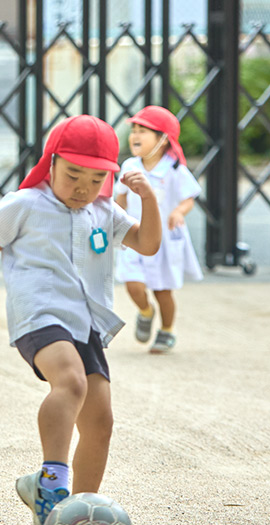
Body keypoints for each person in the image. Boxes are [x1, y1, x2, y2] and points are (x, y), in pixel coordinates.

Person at [0, 115, 161, 525]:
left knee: (100, 423)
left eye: (97, 177)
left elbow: (148, 244)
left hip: (85, 323)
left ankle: (76, 520)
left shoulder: (103, 211)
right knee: (71, 383)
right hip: (40, 315)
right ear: (51, 163)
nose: (83, 186)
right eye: (73, 174)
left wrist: (148, 199)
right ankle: (51, 485)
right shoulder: (24, 204)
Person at [114, 106, 204, 354]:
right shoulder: (130, 166)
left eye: (143, 130)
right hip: (134, 236)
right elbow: (119, 199)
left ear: (163, 139)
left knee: (163, 290)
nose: (135, 135)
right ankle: (145, 311)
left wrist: (178, 212)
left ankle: (166, 330)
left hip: (164, 241)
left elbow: (189, 198)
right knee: (133, 284)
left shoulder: (174, 170)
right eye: (133, 130)